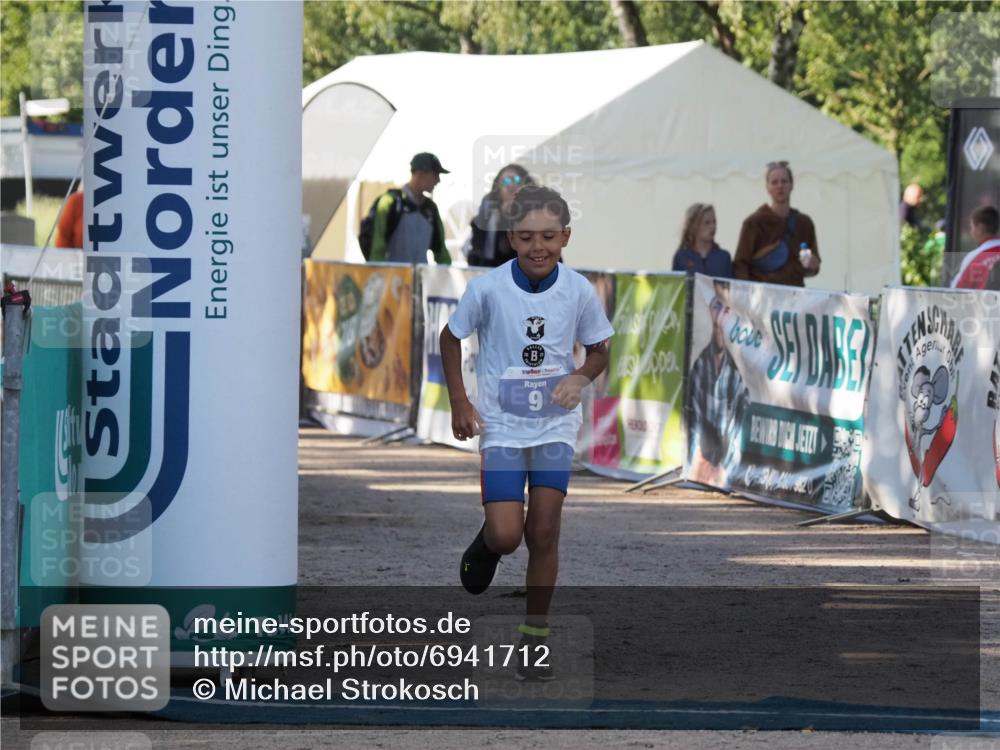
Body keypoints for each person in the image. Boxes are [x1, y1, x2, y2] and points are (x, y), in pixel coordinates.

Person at [440, 185, 613, 681]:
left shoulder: (578, 290)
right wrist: (460, 401)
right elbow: (451, 338)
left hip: (555, 426)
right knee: (507, 534)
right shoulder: (488, 289)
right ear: (511, 238)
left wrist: (579, 377)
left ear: (566, 237)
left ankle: (534, 638)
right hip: (502, 426)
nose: (538, 247)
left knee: (544, 531)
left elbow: (599, 348)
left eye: (549, 237)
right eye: (526, 237)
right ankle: (489, 543)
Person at [687, 280, 750, 488]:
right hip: (701, 464)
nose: (720, 316)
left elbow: (738, 433)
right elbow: (692, 421)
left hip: (724, 468)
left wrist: (725, 468)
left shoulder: (737, 374)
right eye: (716, 306)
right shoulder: (699, 366)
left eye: (728, 309)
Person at [733, 161, 821, 286]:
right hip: (764, 295)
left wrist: (813, 265)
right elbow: (740, 265)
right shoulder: (754, 222)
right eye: (774, 182)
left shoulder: (804, 223)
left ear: (791, 185)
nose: (780, 186)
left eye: (784, 181)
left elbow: (812, 268)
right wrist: (748, 296)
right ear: (767, 187)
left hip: (795, 294)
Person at [368, 152, 452, 265]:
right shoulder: (390, 202)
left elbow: (441, 251)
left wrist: (448, 275)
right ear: (420, 174)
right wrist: (379, 275)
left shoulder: (431, 209)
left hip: (420, 280)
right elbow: (377, 249)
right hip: (393, 280)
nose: (438, 181)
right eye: (435, 175)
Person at [465, 164, 535, 267]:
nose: (511, 185)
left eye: (516, 179)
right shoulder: (487, 217)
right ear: (498, 188)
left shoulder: (539, 213)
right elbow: (476, 254)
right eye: (506, 181)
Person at [671, 203, 732, 277]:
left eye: (714, 222)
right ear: (694, 226)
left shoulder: (723, 257)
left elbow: (730, 285)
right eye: (707, 223)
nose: (713, 227)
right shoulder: (681, 256)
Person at [951, 205, 1000, 290]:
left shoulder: (975, 257)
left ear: (979, 227)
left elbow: (956, 291)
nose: (971, 232)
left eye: (972, 226)